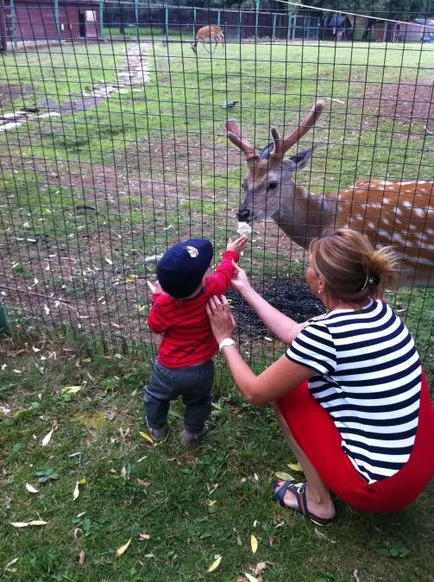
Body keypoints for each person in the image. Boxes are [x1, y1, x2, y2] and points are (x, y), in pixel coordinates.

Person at [206, 229, 434, 525]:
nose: (307, 269)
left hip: (382, 487)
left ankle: (318, 502)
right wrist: (247, 289)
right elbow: (293, 334)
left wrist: (224, 339)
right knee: (304, 378)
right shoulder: (379, 310)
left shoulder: (327, 335)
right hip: (418, 462)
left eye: (310, 264)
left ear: (321, 281)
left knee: (285, 392)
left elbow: (255, 392)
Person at [145, 235, 247, 446]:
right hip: (201, 368)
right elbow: (225, 272)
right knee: (199, 401)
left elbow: (155, 327)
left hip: (168, 368)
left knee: (156, 396)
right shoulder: (213, 287)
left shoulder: (164, 304)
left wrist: (156, 297)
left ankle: (157, 429)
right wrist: (230, 254)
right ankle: (192, 434)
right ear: (202, 279)